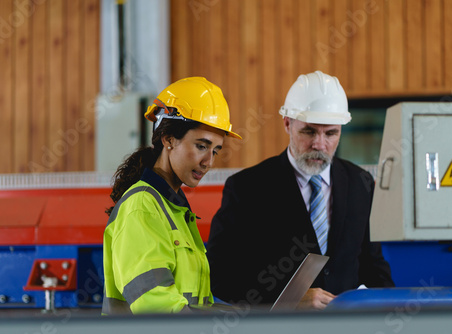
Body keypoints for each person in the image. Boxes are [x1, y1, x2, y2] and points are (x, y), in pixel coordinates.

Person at [206, 71, 394, 310]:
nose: (319, 144)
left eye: (331, 133)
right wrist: (287, 300)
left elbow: (373, 266)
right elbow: (221, 275)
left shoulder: (361, 183)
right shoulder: (247, 188)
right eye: (309, 131)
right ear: (288, 124)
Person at [102, 77, 241, 314]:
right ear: (168, 139)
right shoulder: (142, 207)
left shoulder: (176, 211)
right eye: (201, 146)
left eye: (215, 151)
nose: (208, 162)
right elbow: (154, 305)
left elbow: (193, 305)